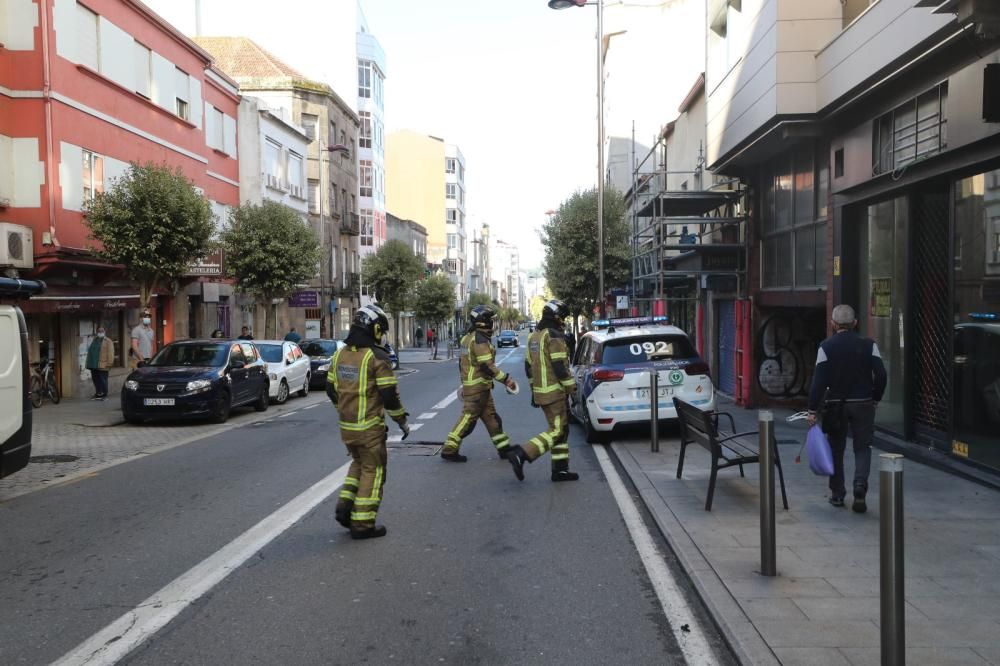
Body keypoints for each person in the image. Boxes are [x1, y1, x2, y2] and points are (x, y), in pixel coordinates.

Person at [327, 304, 410, 540]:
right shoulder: (377, 357)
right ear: (374, 329)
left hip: (347, 428)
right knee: (374, 471)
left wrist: (343, 411)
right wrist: (402, 421)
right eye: (381, 330)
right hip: (369, 428)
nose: (382, 335)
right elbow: (389, 396)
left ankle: (345, 508)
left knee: (358, 465)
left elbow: (330, 389)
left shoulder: (340, 354)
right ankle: (363, 524)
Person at [807, 304, 887, 513]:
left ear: (833, 324)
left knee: (836, 449)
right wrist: (875, 398)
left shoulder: (826, 346)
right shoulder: (869, 345)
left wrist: (812, 410)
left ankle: (837, 494)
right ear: (855, 323)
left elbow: (818, 382)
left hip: (836, 405)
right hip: (863, 403)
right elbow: (881, 375)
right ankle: (860, 486)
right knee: (863, 447)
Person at [506, 299, 580, 482]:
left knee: (561, 431)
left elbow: (528, 366)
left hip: (542, 392)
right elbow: (560, 367)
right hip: (555, 392)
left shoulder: (535, 336)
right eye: (562, 316)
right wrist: (573, 389)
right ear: (556, 316)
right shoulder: (553, 335)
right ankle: (522, 453)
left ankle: (560, 470)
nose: (563, 320)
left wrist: (533, 391)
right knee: (557, 431)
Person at [441, 305, 517, 463]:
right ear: (484, 322)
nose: (492, 323)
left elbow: (462, 365)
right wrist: (506, 379)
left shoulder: (468, 338)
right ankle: (449, 449)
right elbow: (487, 366)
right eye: (490, 320)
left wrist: (464, 384)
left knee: (493, 420)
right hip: (477, 390)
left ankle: (504, 449)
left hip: (480, 389)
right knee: (467, 420)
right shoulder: (479, 340)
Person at [85, 326, 114, 400]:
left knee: (103, 379)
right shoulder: (95, 340)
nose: (100, 332)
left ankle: (104, 393)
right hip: (93, 365)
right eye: (99, 331)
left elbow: (111, 353)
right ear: (97, 332)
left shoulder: (108, 341)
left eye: (102, 331)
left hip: (103, 364)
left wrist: (109, 363)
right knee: (96, 379)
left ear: (104, 332)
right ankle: (98, 393)